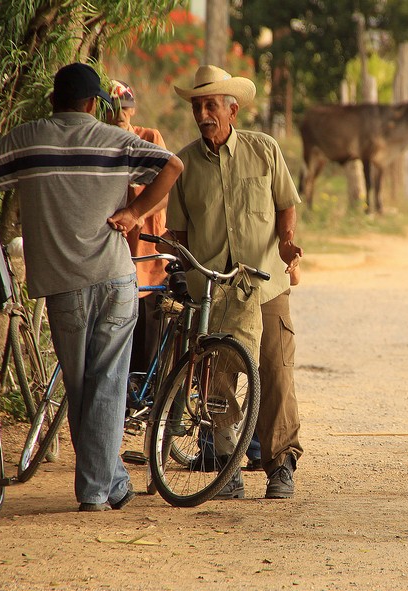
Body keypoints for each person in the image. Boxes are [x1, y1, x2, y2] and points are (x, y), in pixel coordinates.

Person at [0, 62, 183, 512]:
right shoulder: (116, 140)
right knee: (107, 385)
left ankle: (98, 489)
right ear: (91, 104)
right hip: (116, 279)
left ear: (52, 101)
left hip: (63, 286)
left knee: (82, 389)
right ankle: (107, 484)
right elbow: (172, 165)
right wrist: (134, 215)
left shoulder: (31, 138)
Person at [168, 65, 303, 500]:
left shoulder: (264, 150)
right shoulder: (183, 163)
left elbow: (286, 204)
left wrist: (286, 244)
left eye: (211, 105)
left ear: (233, 110)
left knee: (276, 373)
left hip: (265, 284)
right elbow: (180, 232)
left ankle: (281, 464)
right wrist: (184, 270)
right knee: (216, 377)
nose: (203, 113)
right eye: (197, 106)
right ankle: (228, 465)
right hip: (214, 290)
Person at [105, 80, 169, 384]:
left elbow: (168, 188)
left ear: (134, 109)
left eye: (125, 108)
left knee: (148, 321)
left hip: (145, 250)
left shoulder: (149, 138)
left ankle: (146, 394)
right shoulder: (100, 145)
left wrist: (140, 213)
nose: (121, 114)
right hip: (113, 249)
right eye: (114, 108)